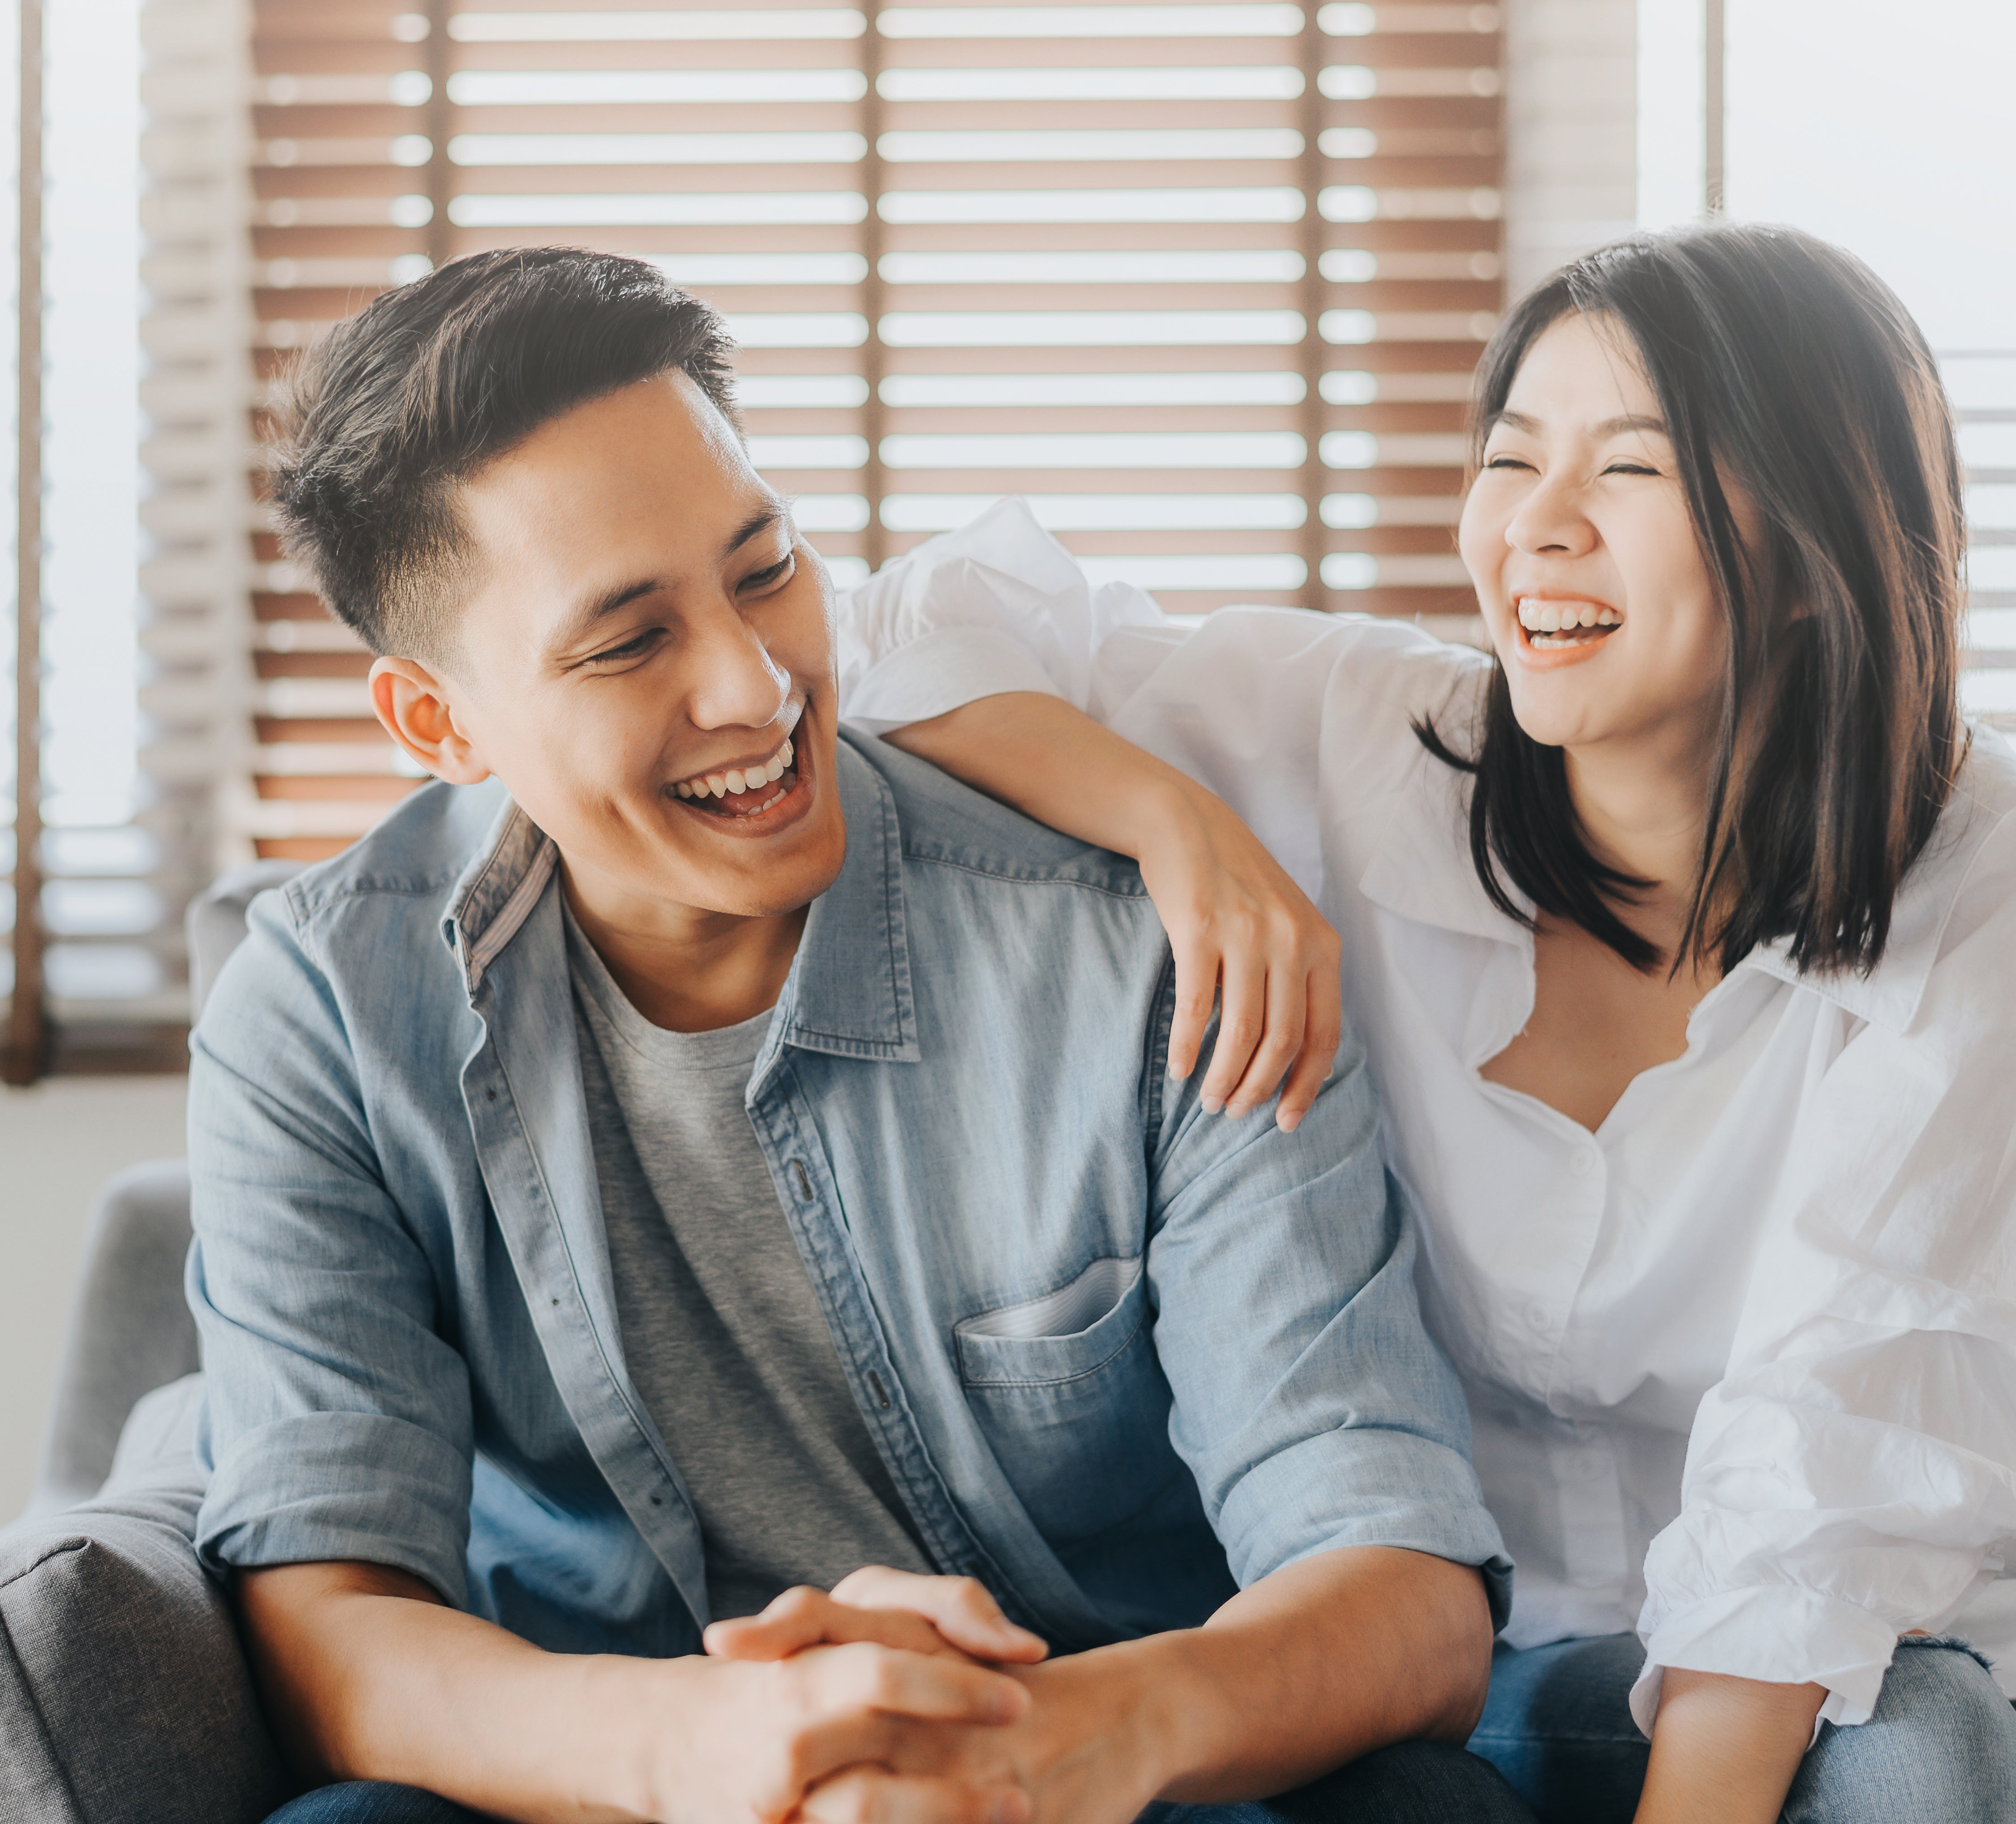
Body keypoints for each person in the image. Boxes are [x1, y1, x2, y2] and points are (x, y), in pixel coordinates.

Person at [187, 245, 1531, 1824]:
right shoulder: (324, 1006)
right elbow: (326, 1628)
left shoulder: (1145, 952)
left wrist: (1056, 1748)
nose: (758, 690)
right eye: (630, 642)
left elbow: (1402, 1589)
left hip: (1120, 1774)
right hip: (625, 1782)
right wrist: (710, 1748)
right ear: (439, 720)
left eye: (764, 571)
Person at [836, 223, 2016, 1824]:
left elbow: (1840, 1451)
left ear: (1814, 551)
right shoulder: (1360, 740)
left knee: (1924, 1759)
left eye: (1630, 471)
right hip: (1523, 1671)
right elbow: (905, 628)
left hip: (1893, 1673)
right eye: (1512, 458)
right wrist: (1182, 831)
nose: (1535, 528)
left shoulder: (1980, 852)